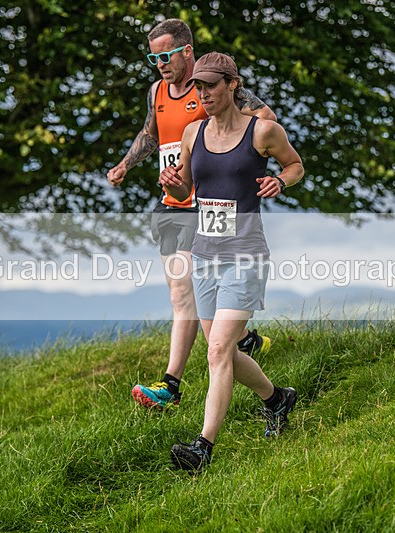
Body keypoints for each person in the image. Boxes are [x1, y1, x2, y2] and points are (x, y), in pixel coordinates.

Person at [107, 19, 277, 411]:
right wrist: (125, 166)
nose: (160, 64)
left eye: (166, 55)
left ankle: (171, 386)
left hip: (204, 211)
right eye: (154, 58)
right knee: (179, 293)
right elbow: (151, 133)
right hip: (171, 203)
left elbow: (264, 120)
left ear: (187, 51)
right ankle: (244, 340)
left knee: (185, 294)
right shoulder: (158, 91)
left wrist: (240, 164)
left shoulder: (215, 89)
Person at [158, 52, 304, 471]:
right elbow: (187, 185)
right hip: (204, 255)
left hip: (246, 254)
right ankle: (276, 399)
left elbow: (295, 165)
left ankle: (203, 447)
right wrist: (174, 181)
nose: (203, 94)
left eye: (211, 87)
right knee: (220, 351)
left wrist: (279, 179)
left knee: (220, 347)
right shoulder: (192, 133)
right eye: (199, 88)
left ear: (232, 85)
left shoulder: (263, 132)